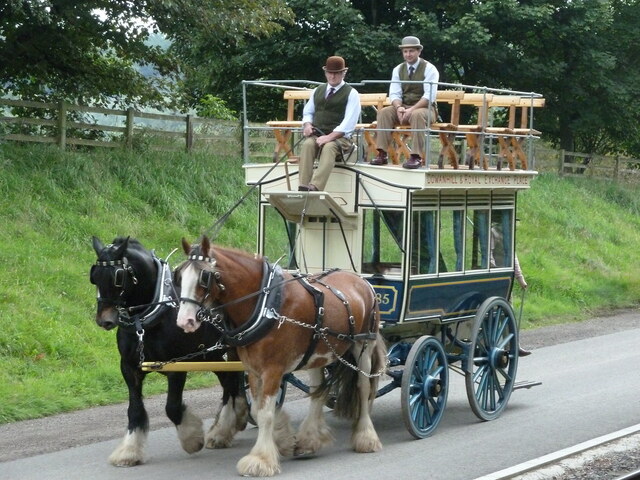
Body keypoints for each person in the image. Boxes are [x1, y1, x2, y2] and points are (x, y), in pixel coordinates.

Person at [372, 36, 439, 169]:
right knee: (384, 112)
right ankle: (382, 153)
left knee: (417, 115)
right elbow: (395, 93)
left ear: (419, 51)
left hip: (426, 109)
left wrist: (411, 109)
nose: (408, 54)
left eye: (411, 51)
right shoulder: (398, 69)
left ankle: (416, 156)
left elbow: (429, 96)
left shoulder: (429, 69)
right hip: (404, 107)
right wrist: (398, 107)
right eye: (405, 51)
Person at [297, 56, 361, 191]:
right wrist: (307, 125)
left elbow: (348, 123)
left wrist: (329, 137)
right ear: (325, 73)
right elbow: (308, 112)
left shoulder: (351, 94)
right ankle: (303, 185)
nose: (332, 76)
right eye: (330, 73)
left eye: (336, 73)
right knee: (308, 144)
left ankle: (315, 186)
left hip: (341, 139)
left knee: (329, 147)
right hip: (318, 134)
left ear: (343, 73)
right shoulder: (317, 91)